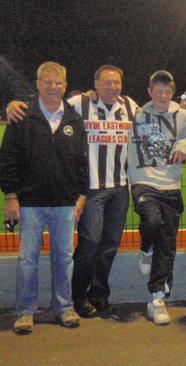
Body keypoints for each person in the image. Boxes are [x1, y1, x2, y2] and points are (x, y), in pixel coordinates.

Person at [5, 64, 138, 317]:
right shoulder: (79, 104)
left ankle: (98, 294)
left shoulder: (130, 106)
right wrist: (12, 104)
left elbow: (155, 115)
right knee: (89, 243)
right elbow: (45, 101)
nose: (113, 87)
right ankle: (76, 297)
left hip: (121, 188)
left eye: (117, 82)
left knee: (109, 246)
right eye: (107, 82)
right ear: (96, 84)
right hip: (92, 189)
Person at [0, 61, 88, 334]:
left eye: (58, 82)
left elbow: (81, 163)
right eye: (47, 81)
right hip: (30, 202)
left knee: (63, 257)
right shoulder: (21, 115)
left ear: (65, 85)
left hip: (64, 202)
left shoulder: (74, 118)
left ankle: (64, 307)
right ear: (37, 84)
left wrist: (82, 195)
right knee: (28, 259)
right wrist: (11, 195)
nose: (53, 87)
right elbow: (8, 159)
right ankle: (26, 311)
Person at [127, 70, 186, 325]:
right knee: (151, 221)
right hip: (144, 182)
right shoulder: (134, 113)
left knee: (167, 244)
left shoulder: (183, 115)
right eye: (158, 89)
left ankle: (156, 297)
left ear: (172, 92)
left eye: (168, 90)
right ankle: (145, 249)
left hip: (171, 185)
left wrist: (184, 145)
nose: (163, 95)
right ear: (150, 91)